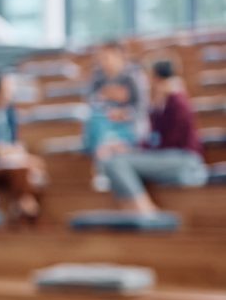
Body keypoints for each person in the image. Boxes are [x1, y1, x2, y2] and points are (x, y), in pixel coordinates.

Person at [98, 61, 206, 214]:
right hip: (166, 157)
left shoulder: (177, 101)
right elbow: (154, 140)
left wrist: (136, 151)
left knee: (116, 163)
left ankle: (146, 212)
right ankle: (133, 211)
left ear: (155, 78)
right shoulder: (160, 102)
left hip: (185, 160)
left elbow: (169, 142)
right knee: (114, 159)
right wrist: (131, 149)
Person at [0, 74, 45, 222]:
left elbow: (15, 143)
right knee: (21, 169)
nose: (11, 91)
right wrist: (15, 153)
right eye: (7, 88)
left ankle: (22, 204)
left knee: (32, 165)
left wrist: (18, 154)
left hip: (10, 161)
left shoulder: (10, 112)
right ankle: (26, 204)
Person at [83, 42, 149, 165]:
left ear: (119, 56)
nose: (103, 62)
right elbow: (91, 101)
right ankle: (103, 157)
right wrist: (106, 101)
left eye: (107, 58)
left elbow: (141, 108)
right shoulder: (98, 76)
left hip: (128, 125)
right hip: (104, 123)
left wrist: (125, 113)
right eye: (101, 58)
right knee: (95, 121)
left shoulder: (134, 76)